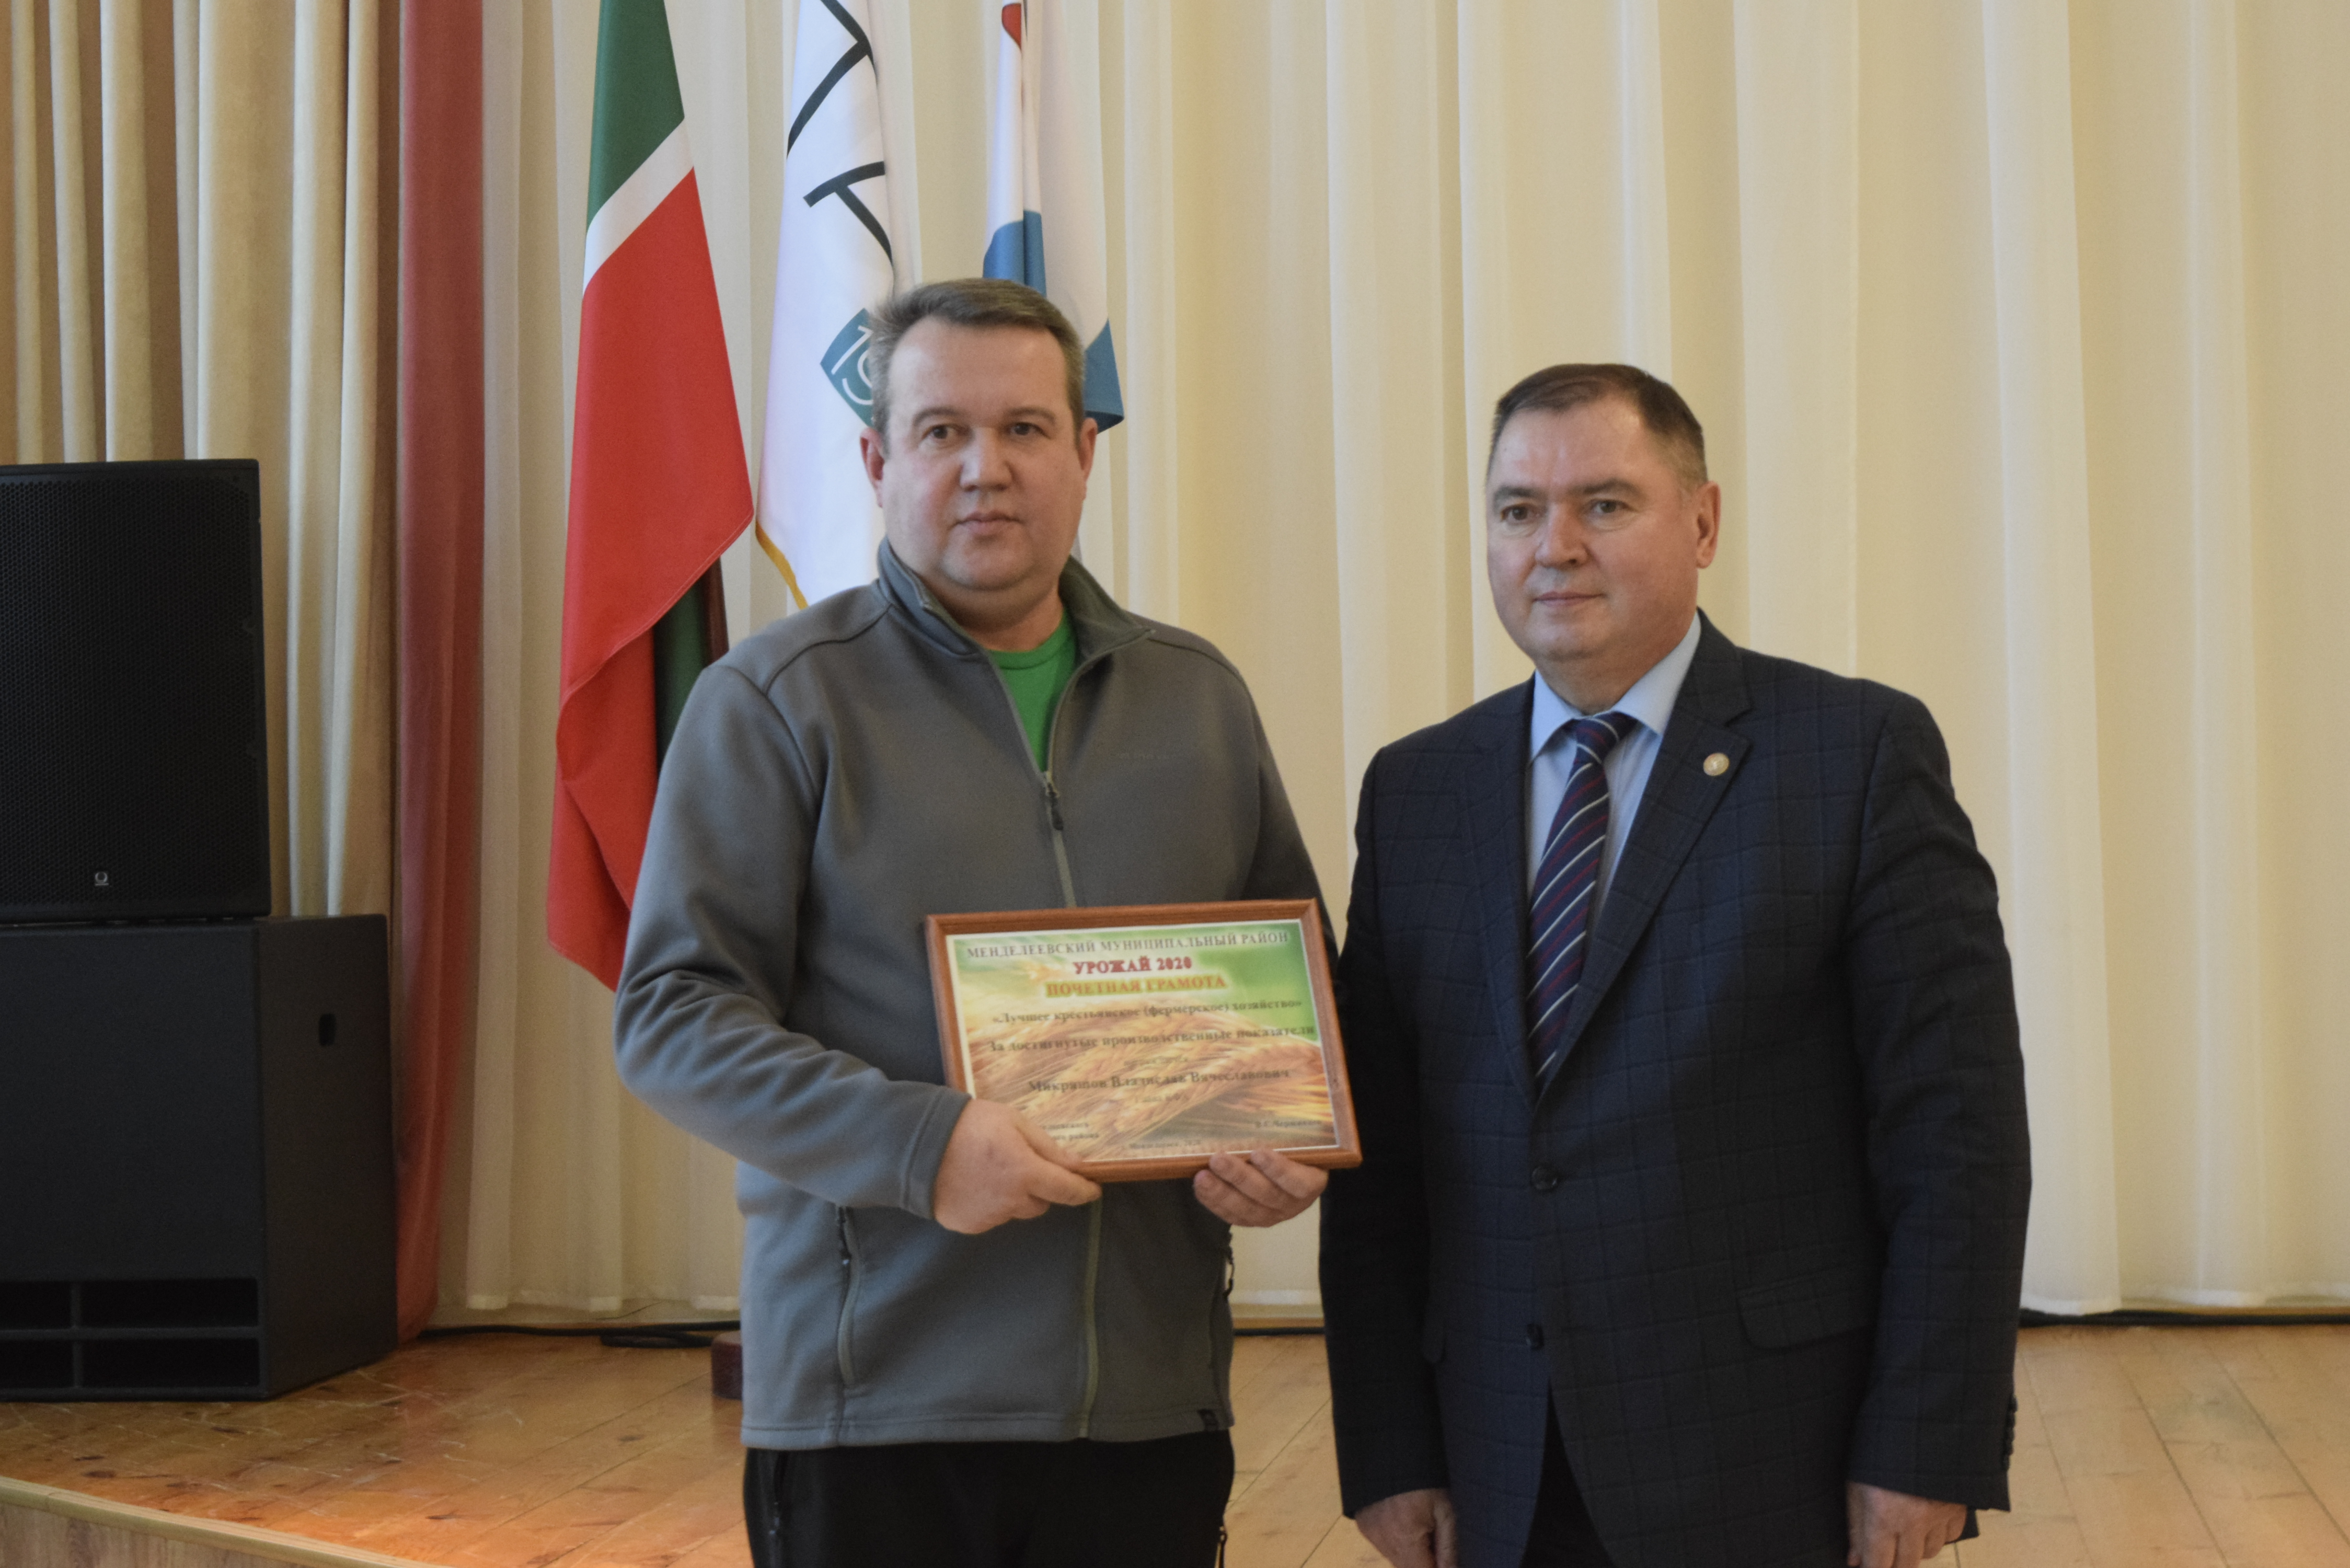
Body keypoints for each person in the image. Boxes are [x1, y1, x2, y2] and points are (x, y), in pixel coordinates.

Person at [614, 278, 1329, 1568]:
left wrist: (1282, 1143)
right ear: (878, 462)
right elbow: (671, 1018)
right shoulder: (774, 701)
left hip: (1150, 1403)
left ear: (1085, 453)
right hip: (875, 1410)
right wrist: (922, 1145)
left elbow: (1292, 1001)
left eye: (1024, 429)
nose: (984, 469)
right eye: (941, 431)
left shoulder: (1198, 699)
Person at [1319, 364, 2031, 1568]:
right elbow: (1377, 1161)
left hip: (1768, 1458)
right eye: (1517, 510)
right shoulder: (1416, 790)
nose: (1555, 546)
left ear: (1702, 524)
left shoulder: (1853, 757)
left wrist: (1924, 1443)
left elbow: (1955, 1137)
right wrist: (1390, 1450)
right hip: (1497, 1460)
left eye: (1604, 505)